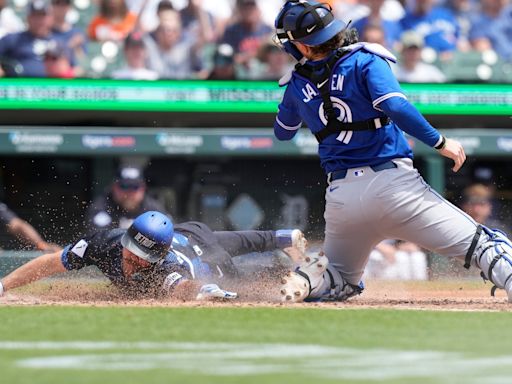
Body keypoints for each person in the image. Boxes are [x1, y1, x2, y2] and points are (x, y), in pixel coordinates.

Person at [272, 1, 512, 303]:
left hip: (342, 199)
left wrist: (300, 95)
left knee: (341, 281)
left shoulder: (296, 83)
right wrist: (440, 142)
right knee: (487, 246)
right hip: (394, 188)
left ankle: (308, 280)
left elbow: (283, 132)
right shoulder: (365, 60)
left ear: (302, 47)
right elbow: (395, 105)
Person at [0, 211, 307, 300]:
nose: (130, 261)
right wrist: (4, 285)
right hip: (189, 233)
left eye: (141, 258)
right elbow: (51, 262)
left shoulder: (167, 268)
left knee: (247, 277)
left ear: (158, 259)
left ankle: (303, 273)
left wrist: (204, 288)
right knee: (224, 239)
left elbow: (182, 288)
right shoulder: (104, 243)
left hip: (206, 258)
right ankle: (282, 237)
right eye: (130, 251)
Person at [86, 166, 167, 232]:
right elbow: (98, 238)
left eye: (135, 187)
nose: (129, 192)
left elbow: (169, 235)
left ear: (143, 188)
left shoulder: (153, 208)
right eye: (124, 186)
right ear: (114, 187)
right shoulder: (102, 206)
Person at [0, 0, 58, 77]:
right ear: (27, 18)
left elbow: (73, 68)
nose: (39, 21)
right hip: (19, 86)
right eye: (35, 16)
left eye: (42, 16)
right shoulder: (13, 39)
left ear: (51, 18)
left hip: (53, 87)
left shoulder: (59, 42)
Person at [220, 0, 272, 67]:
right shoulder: (231, 31)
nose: (249, 12)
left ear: (257, 10)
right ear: (240, 11)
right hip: (239, 71)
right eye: (246, 8)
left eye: (251, 8)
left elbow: (273, 56)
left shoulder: (267, 30)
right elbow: (226, 57)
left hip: (264, 70)